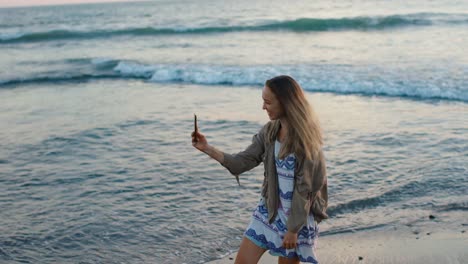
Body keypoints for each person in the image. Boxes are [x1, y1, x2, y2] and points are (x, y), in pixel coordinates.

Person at [191, 75, 328, 264]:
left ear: (285, 102)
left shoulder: (307, 142)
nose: (263, 107)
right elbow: (241, 162)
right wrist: (207, 148)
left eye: (268, 102)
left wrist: (293, 230)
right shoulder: (269, 131)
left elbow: (305, 190)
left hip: (296, 216)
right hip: (269, 210)